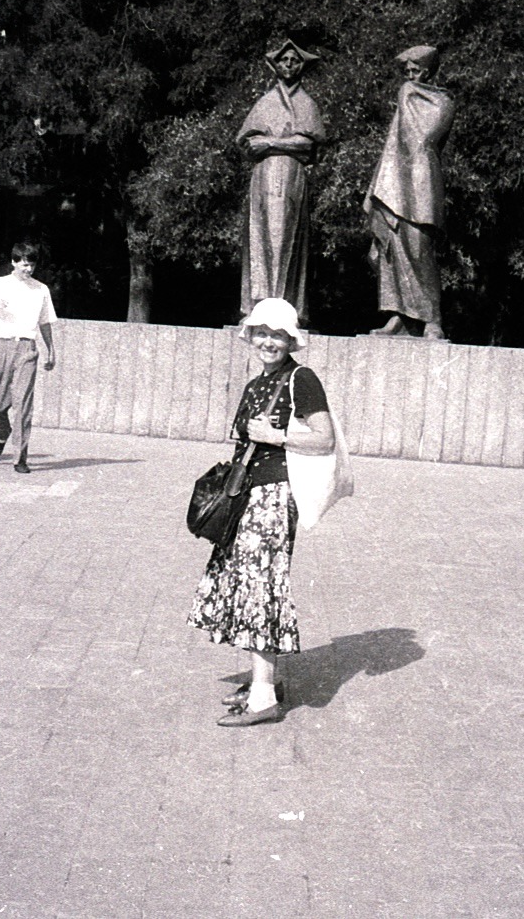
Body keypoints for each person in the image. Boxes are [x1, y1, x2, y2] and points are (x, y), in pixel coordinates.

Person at [188, 297, 334, 727]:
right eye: (262, 333)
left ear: (291, 340)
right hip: (247, 496)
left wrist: (277, 435)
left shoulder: (301, 379)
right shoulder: (258, 384)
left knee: (260, 586)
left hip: (273, 498)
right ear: (250, 336)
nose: (269, 342)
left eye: (278, 335)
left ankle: (264, 698)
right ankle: (264, 681)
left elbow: (323, 439)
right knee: (245, 584)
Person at [363, 44, 456, 340]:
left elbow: (421, 138)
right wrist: (372, 189)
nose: (410, 76)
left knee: (418, 248)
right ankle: (400, 317)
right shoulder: (407, 98)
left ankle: (432, 319)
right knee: (392, 248)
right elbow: (391, 147)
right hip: (392, 182)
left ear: (428, 71)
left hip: (420, 182)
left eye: (415, 70)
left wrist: (408, 93)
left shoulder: (442, 101)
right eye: (407, 71)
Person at [236, 39, 327, 322]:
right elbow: (248, 144)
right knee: (259, 235)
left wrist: (271, 142)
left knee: (287, 234)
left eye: (295, 60)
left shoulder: (307, 104)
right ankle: (257, 305)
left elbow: (309, 146)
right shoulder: (265, 102)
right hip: (263, 175)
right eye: (284, 60)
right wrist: (282, 143)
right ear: (276, 65)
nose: (289, 65)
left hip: (291, 174)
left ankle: (286, 306)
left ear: (302, 66)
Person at [0, 241, 56, 474]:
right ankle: (1, 434)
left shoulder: (41, 289)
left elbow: (44, 322)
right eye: (24, 264)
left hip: (27, 348)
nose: (28, 269)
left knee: (23, 405)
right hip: (2, 346)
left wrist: (51, 349)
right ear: (13, 262)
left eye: (31, 265)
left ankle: (20, 457)